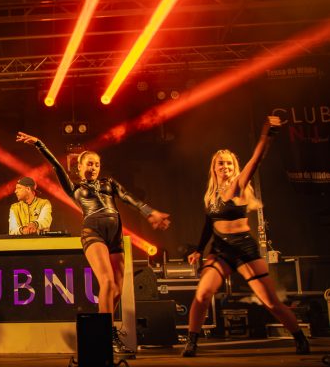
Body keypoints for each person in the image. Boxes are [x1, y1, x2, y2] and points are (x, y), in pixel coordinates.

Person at [16, 132, 170, 355]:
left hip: (115, 236)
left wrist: (150, 212)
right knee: (107, 282)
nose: (94, 167)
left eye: (97, 164)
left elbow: (128, 197)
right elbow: (56, 166)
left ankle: (99, 332)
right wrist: (40, 144)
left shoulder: (109, 183)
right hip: (93, 233)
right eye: (89, 164)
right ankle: (108, 336)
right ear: (79, 166)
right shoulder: (75, 188)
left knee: (116, 290)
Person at [182, 116, 310, 357]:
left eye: (229, 163)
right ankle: (192, 342)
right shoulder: (211, 195)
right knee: (202, 294)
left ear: (235, 167)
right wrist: (199, 250)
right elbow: (209, 224)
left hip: (244, 249)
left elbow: (256, 160)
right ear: (214, 167)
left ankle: (300, 338)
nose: (225, 167)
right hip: (220, 250)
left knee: (271, 302)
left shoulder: (238, 185)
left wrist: (265, 136)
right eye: (221, 163)